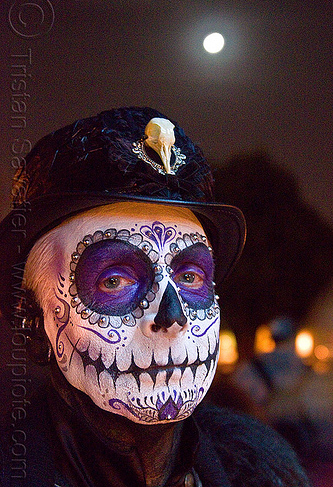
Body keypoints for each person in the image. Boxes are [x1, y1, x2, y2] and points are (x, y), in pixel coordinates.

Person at [0, 107, 310, 486]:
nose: (173, 316)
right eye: (113, 280)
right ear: (32, 320)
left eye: (191, 275)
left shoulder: (256, 473)